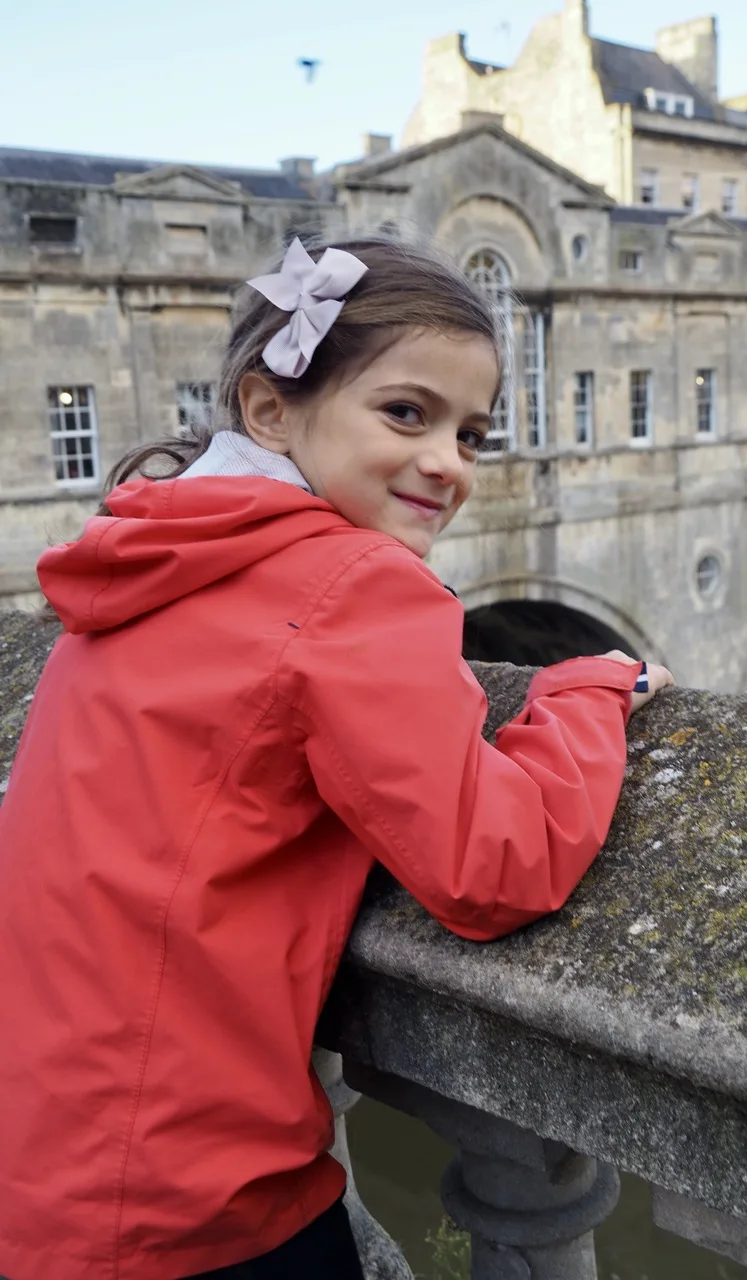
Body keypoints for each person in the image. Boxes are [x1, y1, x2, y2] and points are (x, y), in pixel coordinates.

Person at [0, 235, 674, 1280]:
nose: (448, 460)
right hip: (184, 1189)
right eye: (406, 412)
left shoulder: (151, 553)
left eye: (473, 432)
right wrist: (589, 693)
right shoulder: (352, 581)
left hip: (40, 1154)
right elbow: (497, 863)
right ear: (271, 410)